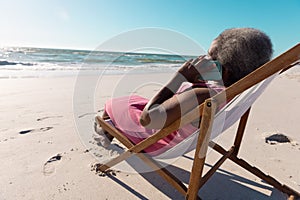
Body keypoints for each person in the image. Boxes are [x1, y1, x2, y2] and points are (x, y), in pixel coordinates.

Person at [94, 28, 273, 155]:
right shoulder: (229, 92)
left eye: (211, 58)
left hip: (154, 140)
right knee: (134, 99)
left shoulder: (202, 95)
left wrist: (180, 77)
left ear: (224, 69)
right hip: (174, 127)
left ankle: (107, 131)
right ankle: (109, 128)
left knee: (115, 103)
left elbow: (147, 119)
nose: (204, 60)